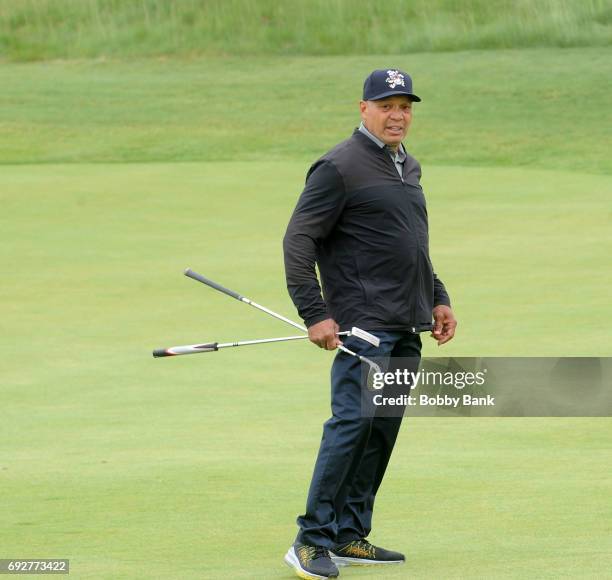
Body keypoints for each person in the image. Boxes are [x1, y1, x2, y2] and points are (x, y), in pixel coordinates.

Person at [282, 68, 457, 579]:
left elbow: (409, 245)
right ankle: (310, 540)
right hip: (363, 326)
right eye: (386, 105)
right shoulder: (338, 167)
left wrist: (438, 298)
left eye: (405, 106)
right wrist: (315, 313)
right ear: (364, 109)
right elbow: (298, 241)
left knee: (380, 430)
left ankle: (348, 533)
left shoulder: (408, 166)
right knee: (351, 426)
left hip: (406, 323)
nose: (397, 115)